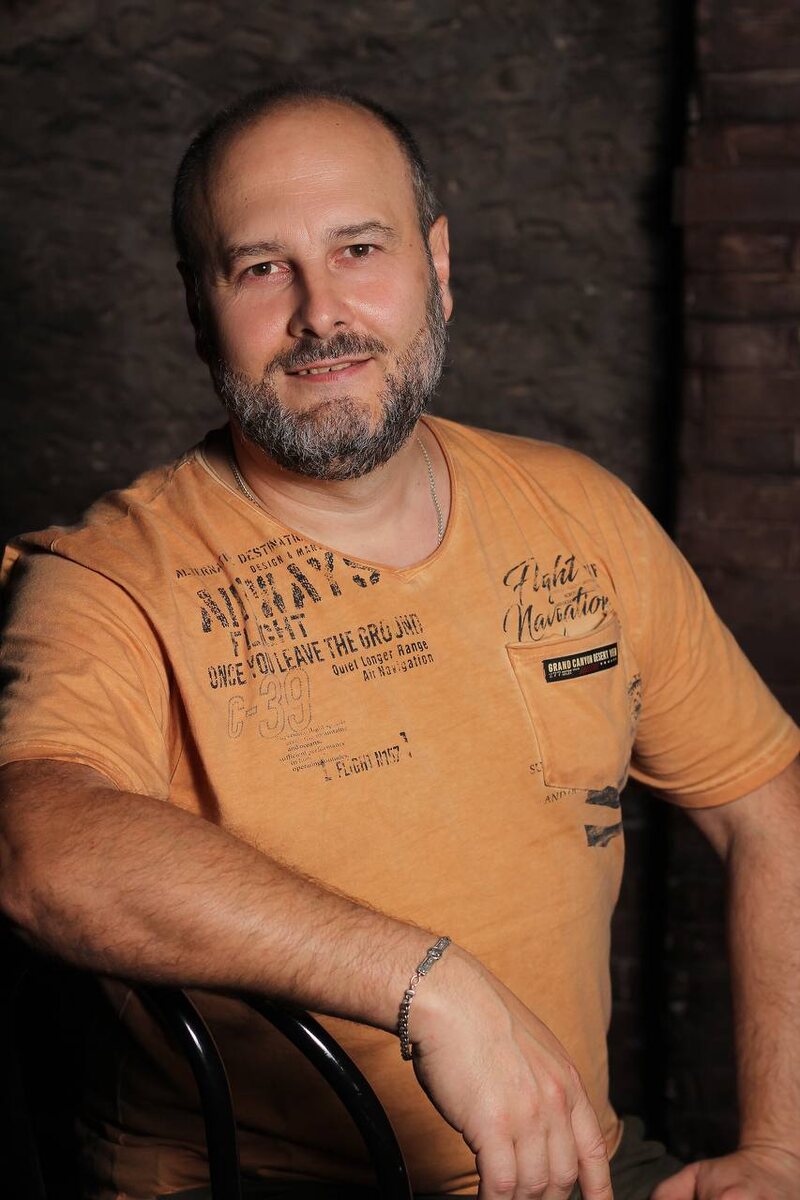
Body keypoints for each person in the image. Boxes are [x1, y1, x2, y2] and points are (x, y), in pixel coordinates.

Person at [0, 84, 798, 1200]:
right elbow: (35, 847)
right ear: (197, 306)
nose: (320, 313)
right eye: (260, 267)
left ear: (438, 264)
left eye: (359, 249)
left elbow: (767, 808)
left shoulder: (580, 515)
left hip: (571, 1170)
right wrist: (427, 985)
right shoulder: (105, 580)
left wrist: (781, 1150)